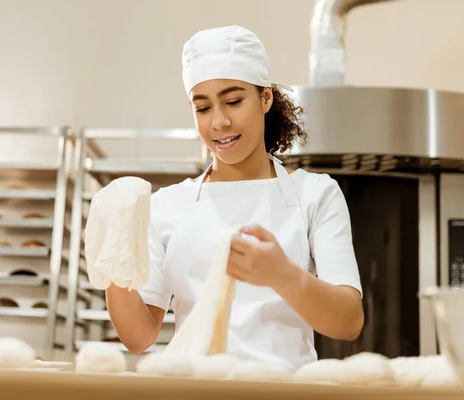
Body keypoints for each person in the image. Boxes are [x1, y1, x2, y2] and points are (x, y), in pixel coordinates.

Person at [105, 25, 364, 371]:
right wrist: (110, 256)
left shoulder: (315, 194)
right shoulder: (167, 205)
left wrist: (282, 274)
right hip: (193, 391)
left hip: (283, 391)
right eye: (203, 108)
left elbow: (348, 321)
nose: (219, 122)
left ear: (265, 98)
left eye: (233, 101)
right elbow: (139, 337)